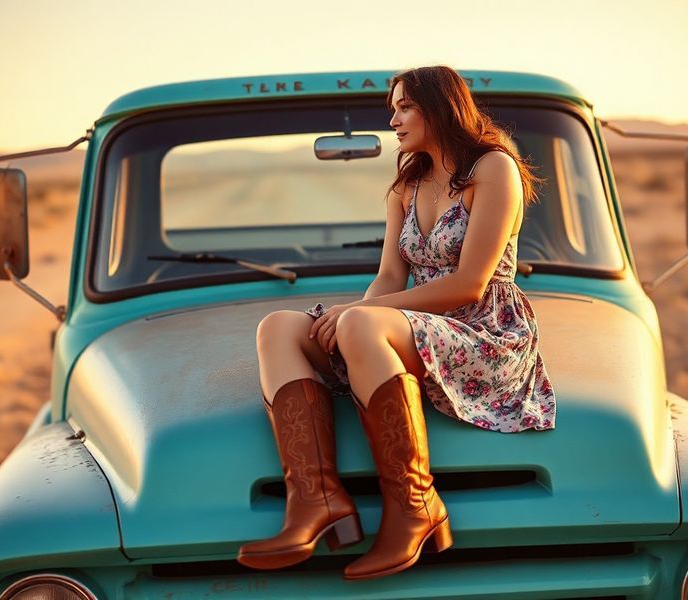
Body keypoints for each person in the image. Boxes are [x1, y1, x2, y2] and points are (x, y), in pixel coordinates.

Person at [236, 65, 557, 580]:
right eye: (394, 108)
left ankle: (415, 507)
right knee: (278, 326)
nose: (394, 119)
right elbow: (389, 274)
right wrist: (352, 321)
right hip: (407, 324)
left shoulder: (492, 168)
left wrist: (361, 318)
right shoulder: (405, 186)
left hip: (483, 332)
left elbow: (470, 283)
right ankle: (315, 501)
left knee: (360, 324)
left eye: (404, 107)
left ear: (440, 106)